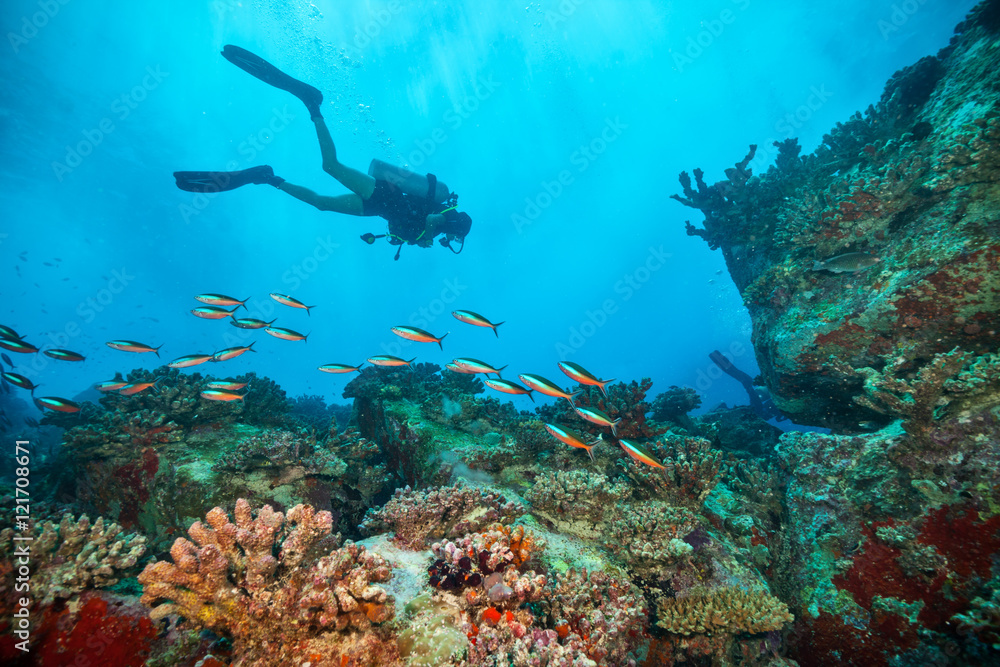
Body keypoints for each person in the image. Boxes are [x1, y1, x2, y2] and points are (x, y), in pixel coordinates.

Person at [174, 45, 472, 260]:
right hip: (384, 197)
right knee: (330, 166)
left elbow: (408, 227)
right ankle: (312, 103)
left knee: (321, 204)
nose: (453, 239)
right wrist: (426, 235)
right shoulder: (445, 221)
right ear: (457, 228)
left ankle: (268, 178)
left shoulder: (439, 225)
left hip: (378, 208)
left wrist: (414, 237)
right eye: (456, 237)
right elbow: (430, 223)